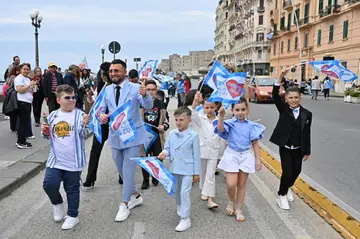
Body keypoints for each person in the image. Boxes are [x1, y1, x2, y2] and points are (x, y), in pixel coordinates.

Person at [98, 59, 153, 222]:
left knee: (128, 168)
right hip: (115, 135)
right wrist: (101, 115)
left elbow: (148, 105)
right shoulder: (106, 90)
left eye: (117, 71)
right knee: (120, 168)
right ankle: (135, 195)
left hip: (133, 135)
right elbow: (101, 109)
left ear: (124, 72)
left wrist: (146, 94)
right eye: (111, 71)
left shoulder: (136, 88)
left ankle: (125, 203)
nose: (113, 73)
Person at [42, 84, 90, 230]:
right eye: (67, 98)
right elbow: (46, 136)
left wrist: (84, 124)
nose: (71, 100)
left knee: (72, 189)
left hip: (74, 161)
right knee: (49, 184)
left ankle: (72, 216)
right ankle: (57, 203)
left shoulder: (80, 115)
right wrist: (45, 132)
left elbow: (85, 134)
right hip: (55, 160)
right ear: (58, 100)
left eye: (73, 97)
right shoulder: (53, 116)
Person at [214, 98, 264, 222]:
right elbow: (220, 130)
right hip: (232, 154)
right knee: (231, 183)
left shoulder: (252, 126)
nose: (240, 112)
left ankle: (239, 209)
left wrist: (258, 159)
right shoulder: (230, 123)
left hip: (246, 155)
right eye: (237, 110)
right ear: (232, 110)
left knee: (241, 185)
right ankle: (231, 201)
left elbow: (255, 143)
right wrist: (221, 117)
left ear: (247, 110)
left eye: (243, 109)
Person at [270, 69, 312, 210]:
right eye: (291, 98)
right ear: (286, 99)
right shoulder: (283, 109)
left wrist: (307, 150)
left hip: (299, 149)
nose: (293, 100)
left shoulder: (307, 114)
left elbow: (307, 133)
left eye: (296, 97)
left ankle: (287, 187)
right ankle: (281, 195)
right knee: (287, 172)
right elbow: (275, 94)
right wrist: (280, 77)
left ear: (300, 97)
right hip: (286, 147)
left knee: (296, 172)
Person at [158, 106, 200, 232]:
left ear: (189, 120)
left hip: (188, 168)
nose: (178, 123)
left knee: (184, 192)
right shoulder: (171, 134)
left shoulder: (194, 135)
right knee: (176, 191)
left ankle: (185, 219)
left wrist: (196, 173)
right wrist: (164, 153)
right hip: (175, 167)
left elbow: (196, 156)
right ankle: (180, 205)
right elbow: (168, 148)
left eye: (181, 120)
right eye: (176, 120)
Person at [83, 62, 121, 189]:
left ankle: (122, 175)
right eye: (102, 74)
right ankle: (90, 178)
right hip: (101, 123)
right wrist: (89, 99)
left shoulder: (118, 87)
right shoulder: (102, 87)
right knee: (95, 150)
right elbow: (95, 106)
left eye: (105, 74)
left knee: (118, 150)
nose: (103, 76)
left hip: (115, 123)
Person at [191, 91, 224, 209]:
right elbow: (192, 114)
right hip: (202, 149)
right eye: (206, 107)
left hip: (214, 150)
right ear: (203, 108)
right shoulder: (200, 118)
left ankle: (211, 199)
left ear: (216, 107)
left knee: (211, 174)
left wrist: (221, 117)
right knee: (203, 173)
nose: (209, 110)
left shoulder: (219, 119)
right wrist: (195, 101)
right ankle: (204, 191)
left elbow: (221, 134)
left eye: (211, 107)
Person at [139, 79, 166, 190]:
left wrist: (163, 127)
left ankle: (155, 176)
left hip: (156, 136)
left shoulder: (161, 104)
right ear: (144, 89)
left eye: (153, 90)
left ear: (156, 90)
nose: (151, 92)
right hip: (144, 135)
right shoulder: (140, 103)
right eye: (148, 89)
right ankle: (145, 180)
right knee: (144, 158)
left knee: (157, 157)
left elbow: (166, 120)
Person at [14, 63, 37, 149]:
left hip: (28, 101)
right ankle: (20, 141)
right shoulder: (19, 78)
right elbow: (20, 90)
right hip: (22, 102)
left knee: (25, 122)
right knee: (23, 122)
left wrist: (33, 86)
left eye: (28, 69)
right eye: (24, 69)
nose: (26, 71)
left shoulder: (27, 79)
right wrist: (29, 85)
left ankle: (23, 140)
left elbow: (31, 90)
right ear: (21, 70)